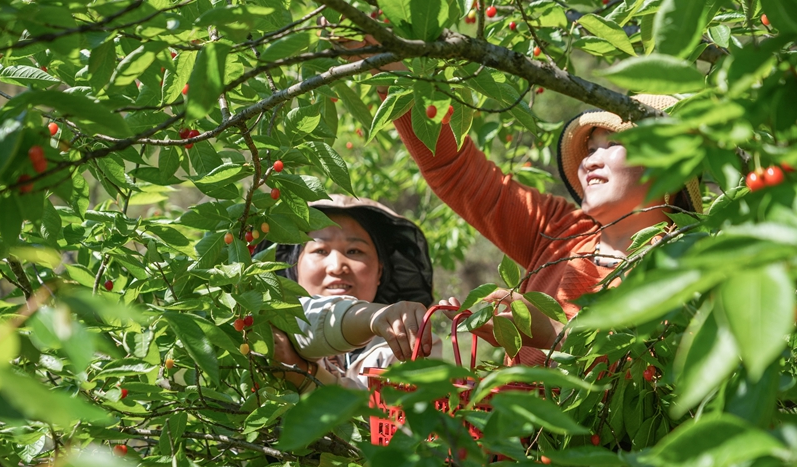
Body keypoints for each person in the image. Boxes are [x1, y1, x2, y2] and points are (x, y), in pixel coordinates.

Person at [385, 91, 702, 366]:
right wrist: (388, 68)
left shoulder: (686, 268)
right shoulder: (559, 231)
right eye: (591, 149)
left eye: (614, 144)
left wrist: (553, 333)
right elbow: (456, 171)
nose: (591, 161)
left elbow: (649, 378)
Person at [257, 195, 441, 392]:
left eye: (354, 251)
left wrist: (302, 373)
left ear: (380, 269)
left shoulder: (412, 345)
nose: (336, 267)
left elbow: (395, 418)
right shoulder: (261, 328)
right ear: (294, 267)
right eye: (320, 250)